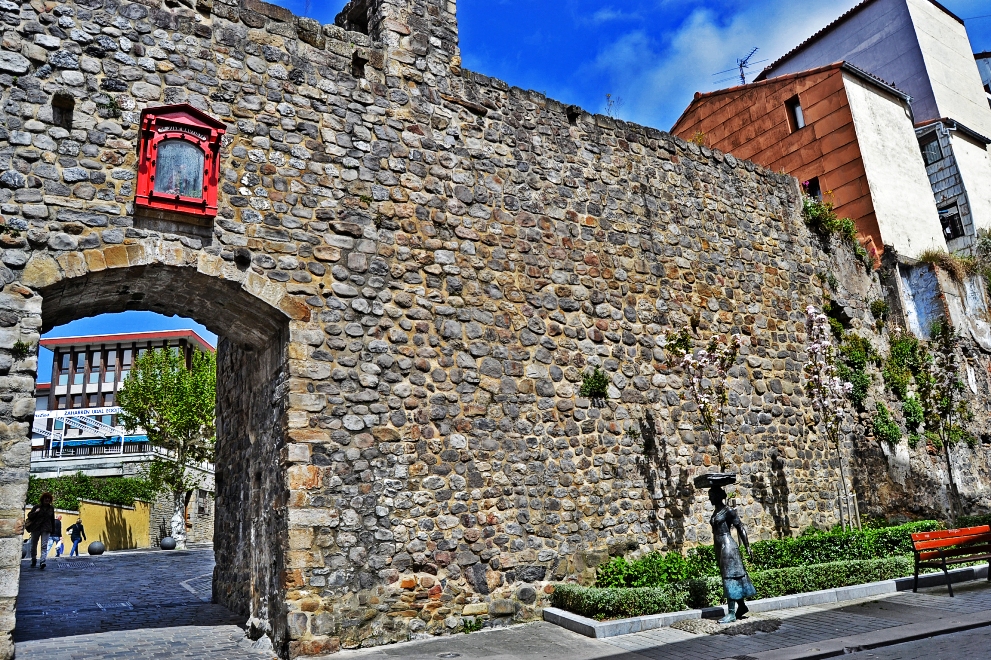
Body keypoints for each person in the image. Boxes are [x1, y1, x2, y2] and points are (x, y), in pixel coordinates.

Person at [709, 485, 756, 623]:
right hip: (719, 547)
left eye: (711, 495)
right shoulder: (716, 511)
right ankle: (741, 606)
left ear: (717, 496)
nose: (709, 497)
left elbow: (740, 527)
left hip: (728, 546)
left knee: (729, 577)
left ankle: (731, 613)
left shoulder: (728, 510)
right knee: (729, 576)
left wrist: (747, 546)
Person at [25, 493, 56, 569]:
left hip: (46, 529)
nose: (47, 500)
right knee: (33, 545)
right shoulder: (37, 507)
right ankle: (34, 559)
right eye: (46, 498)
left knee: (44, 546)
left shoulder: (51, 508)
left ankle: (42, 561)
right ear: (42, 499)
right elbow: (29, 516)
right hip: (36, 528)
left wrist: (53, 530)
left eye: (48, 498)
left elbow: (52, 520)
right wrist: (36, 512)